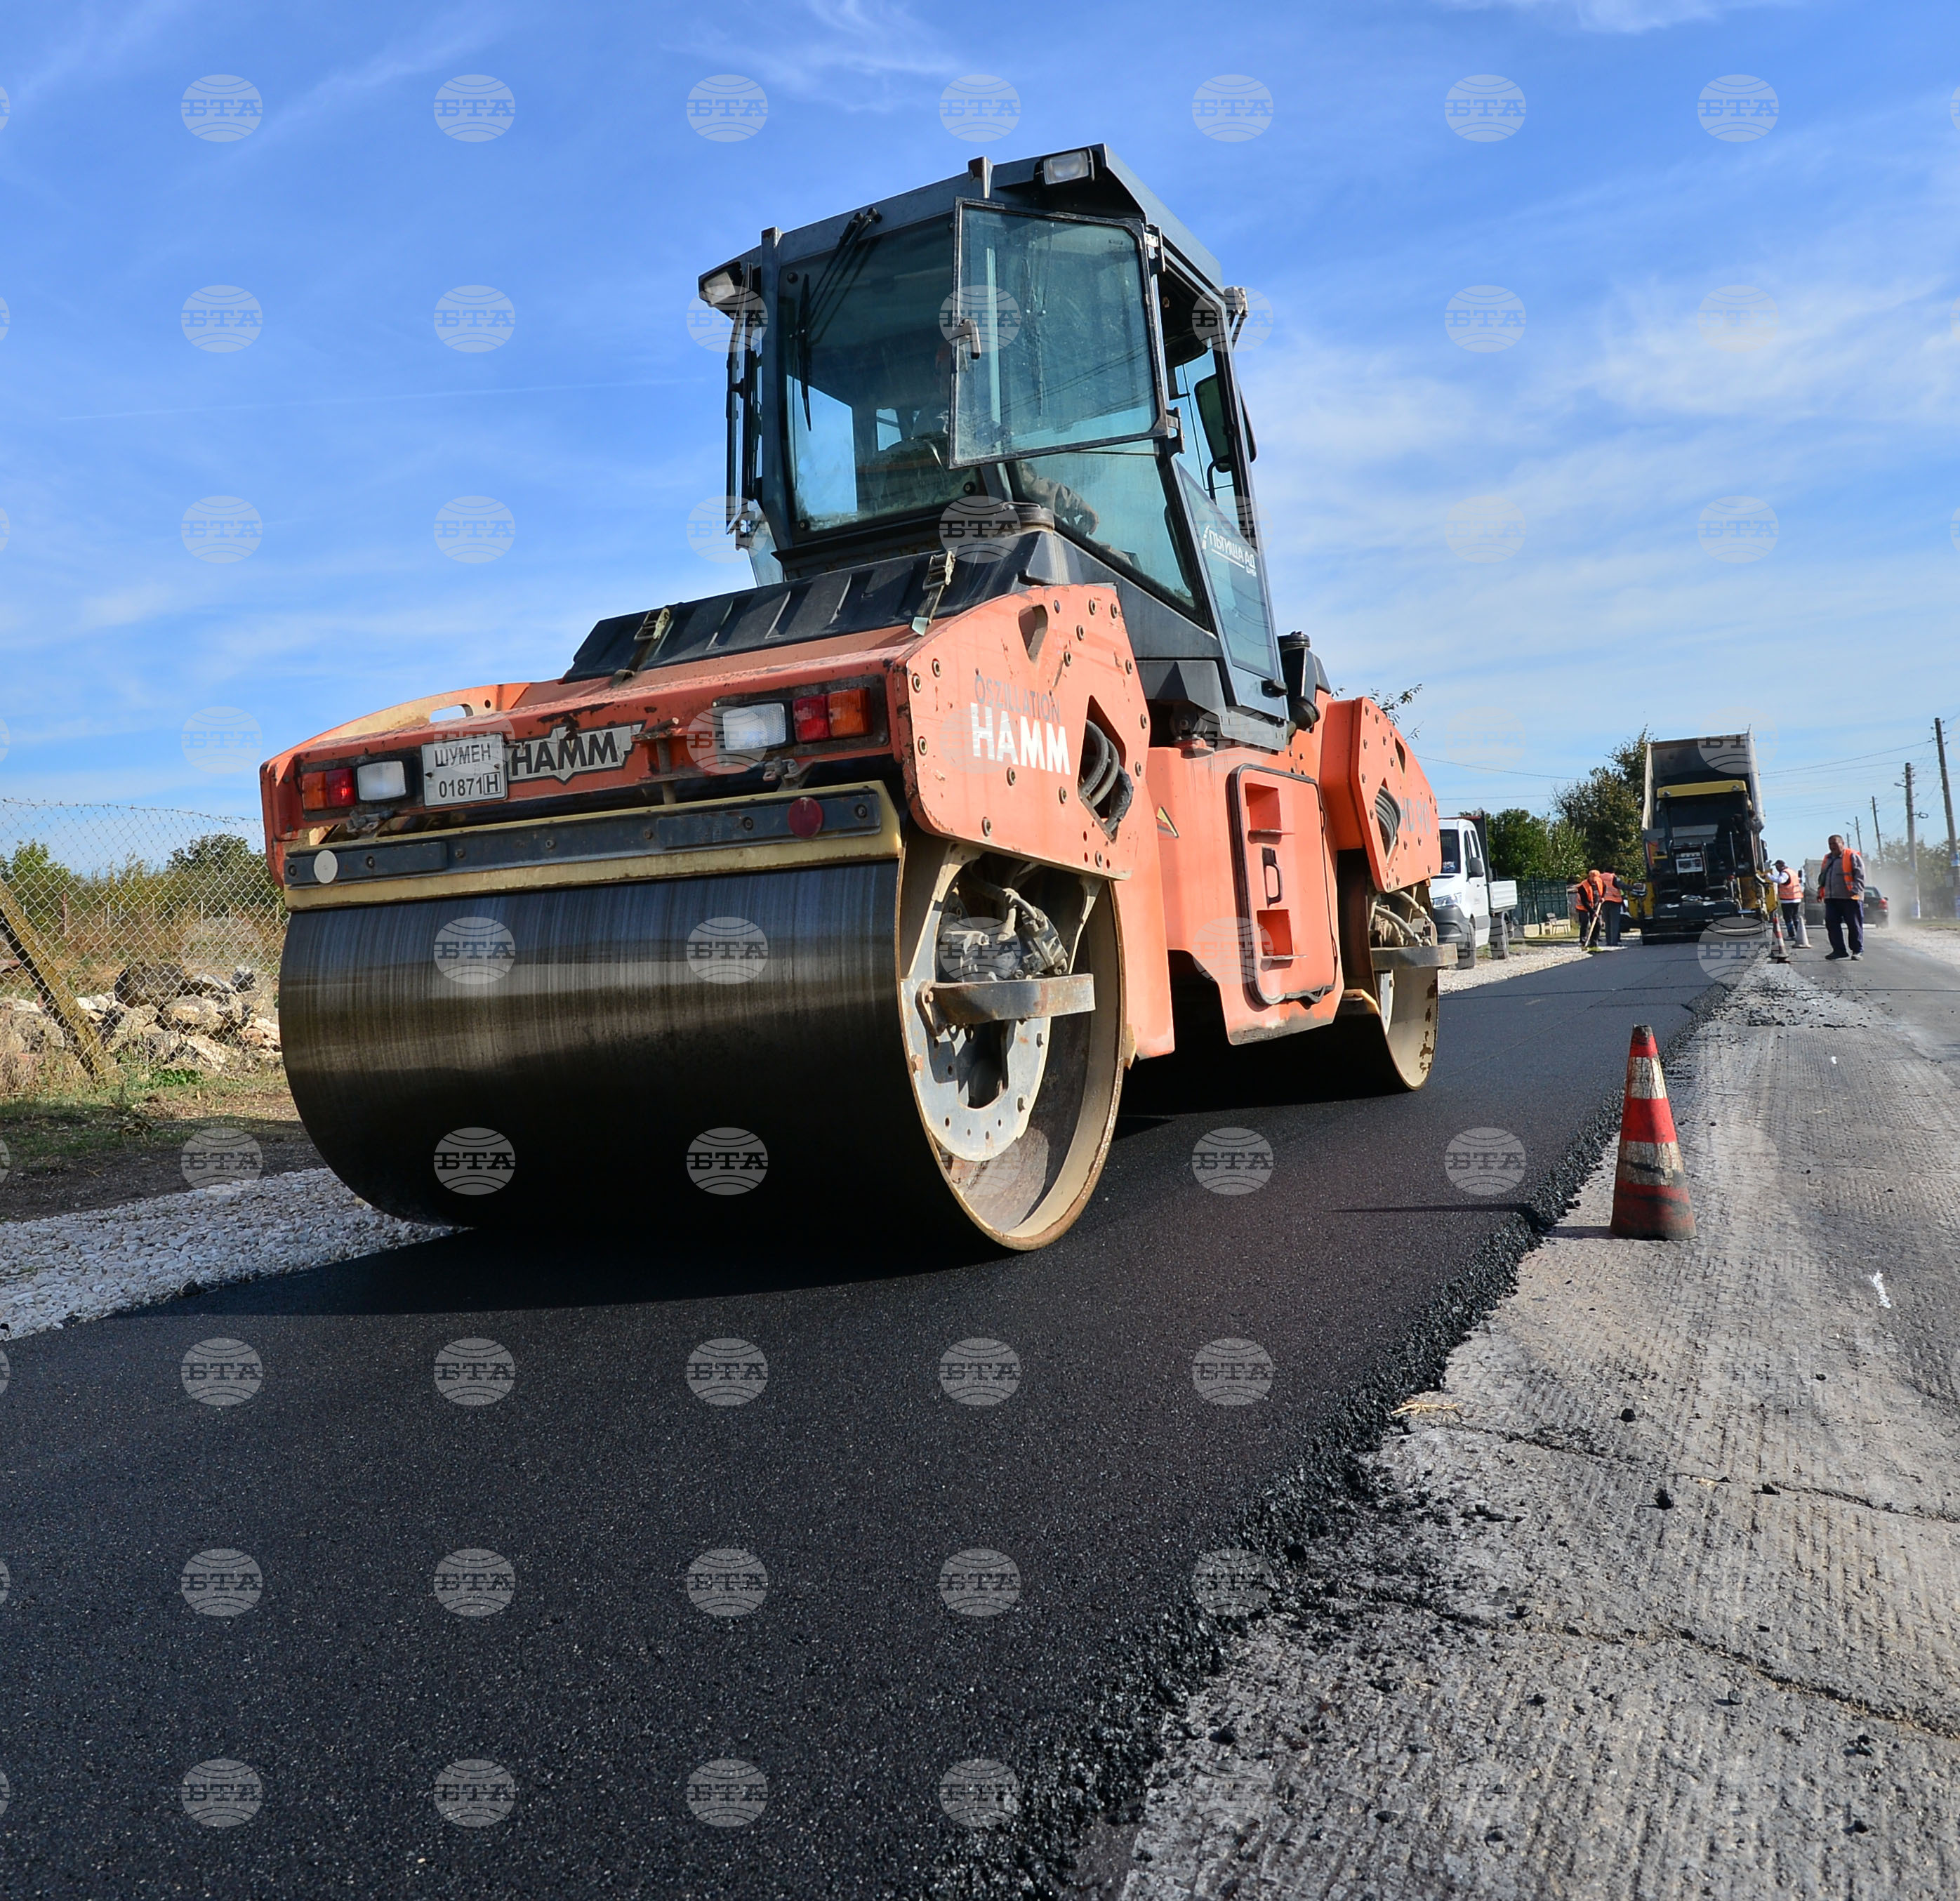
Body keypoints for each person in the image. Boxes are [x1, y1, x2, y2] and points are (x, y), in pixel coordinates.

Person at [1816, 835, 1866, 960]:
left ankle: (1857, 951)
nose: (1832, 846)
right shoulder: (1827, 859)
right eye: (1830, 844)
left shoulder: (1851, 856)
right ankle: (1839, 951)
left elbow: (1860, 875)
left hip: (1850, 898)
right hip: (1831, 898)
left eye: (1835, 843)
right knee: (1831, 923)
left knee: (1854, 925)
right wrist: (1820, 892)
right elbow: (1823, 877)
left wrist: (1855, 890)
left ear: (1842, 843)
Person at [1773, 859, 1808, 947]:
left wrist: (1770, 877)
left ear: (1780, 866)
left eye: (1777, 867)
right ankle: (1798, 933)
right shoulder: (1792, 871)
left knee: (1788, 918)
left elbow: (1781, 881)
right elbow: (1799, 880)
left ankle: (1792, 934)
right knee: (1795, 917)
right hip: (1796, 898)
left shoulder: (1784, 873)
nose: (1776, 869)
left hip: (1788, 899)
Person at [1598, 867, 1624, 948]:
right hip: (1614, 902)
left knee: (1607, 923)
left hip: (1604, 902)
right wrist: (1634, 887)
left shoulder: (1600, 878)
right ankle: (1614, 942)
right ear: (1613, 871)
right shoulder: (1613, 877)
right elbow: (1623, 886)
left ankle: (1608, 941)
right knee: (1614, 923)